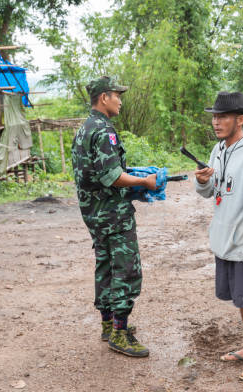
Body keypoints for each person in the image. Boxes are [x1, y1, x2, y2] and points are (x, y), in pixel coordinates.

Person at [72, 76, 157, 357]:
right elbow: (112, 176)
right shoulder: (104, 130)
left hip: (94, 214)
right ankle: (120, 333)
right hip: (113, 215)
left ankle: (108, 325)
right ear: (104, 97)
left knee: (106, 266)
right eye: (117, 95)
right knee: (126, 270)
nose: (121, 100)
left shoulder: (84, 128)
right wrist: (144, 183)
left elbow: (93, 175)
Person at [194, 91, 243, 382]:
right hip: (224, 242)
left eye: (223, 116)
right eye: (214, 117)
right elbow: (210, 191)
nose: (216, 122)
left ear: (240, 119)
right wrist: (202, 181)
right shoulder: (219, 149)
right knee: (240, 300)